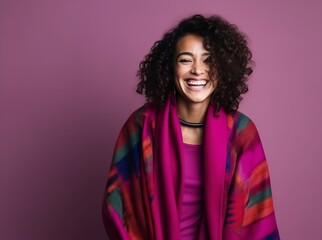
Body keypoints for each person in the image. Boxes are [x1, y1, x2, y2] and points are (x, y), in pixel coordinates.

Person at [102, 14, 280, 240]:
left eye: (208, 60)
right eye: (185, 60)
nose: (197, 70)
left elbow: (257, 219)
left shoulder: (241, 134)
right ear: (170, 68)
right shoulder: (142, 127)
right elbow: (116, 207)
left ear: (223, 68)